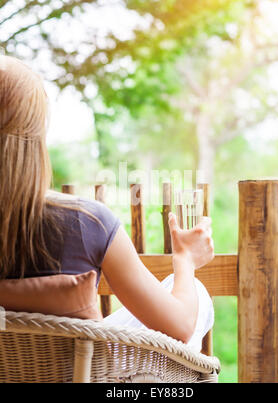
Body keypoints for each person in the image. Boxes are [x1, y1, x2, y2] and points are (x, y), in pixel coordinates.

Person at [0, 55, 214, 351]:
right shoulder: (84, 223)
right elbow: (179, 328)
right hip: (77, 372)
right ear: (36, 137)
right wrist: (186, 260)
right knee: (195, 295)